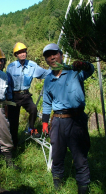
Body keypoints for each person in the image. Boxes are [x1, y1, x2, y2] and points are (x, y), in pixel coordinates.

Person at [42, 43, 94, 193]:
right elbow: (46, 102)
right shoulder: (48, 80)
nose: (52, 57)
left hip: (76, 119)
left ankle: (83, 187)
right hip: (57, 121)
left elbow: (90, 70)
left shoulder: (75, 72)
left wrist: (84, 64)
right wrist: (45, 122)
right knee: (57, 156)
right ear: (46, 60)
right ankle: (57, 186)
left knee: (80, 157)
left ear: (61, 55)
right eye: (48, 56)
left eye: (54, 54)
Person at [7, 42, 50, 146]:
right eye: (20, 52)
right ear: (16, 55)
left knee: (33, 108)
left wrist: (56, 70)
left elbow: (45, 73)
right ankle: (14, 144)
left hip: (25, 95)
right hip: (14, 96)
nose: (23, 54)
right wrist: (8, 99)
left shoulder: (32, 65)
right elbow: (8, 84)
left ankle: (31, 128)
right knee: (13, 122)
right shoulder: (11, 67)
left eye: (24, 51)